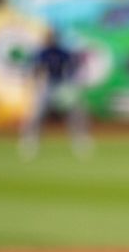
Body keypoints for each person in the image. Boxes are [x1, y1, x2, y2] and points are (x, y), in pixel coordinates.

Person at [19, 29, 92, 160]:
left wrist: (72, 84)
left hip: (62, 85)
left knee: (76, 113)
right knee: (36, 115)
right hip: (47, 85)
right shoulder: (42, 52)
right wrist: (34, 81)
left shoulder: (62, 52)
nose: (51, 40)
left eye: (53, 37)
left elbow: (73, 67)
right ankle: (30, 142)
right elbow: (35, 69)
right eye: (49, 37)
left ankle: (80, 141)